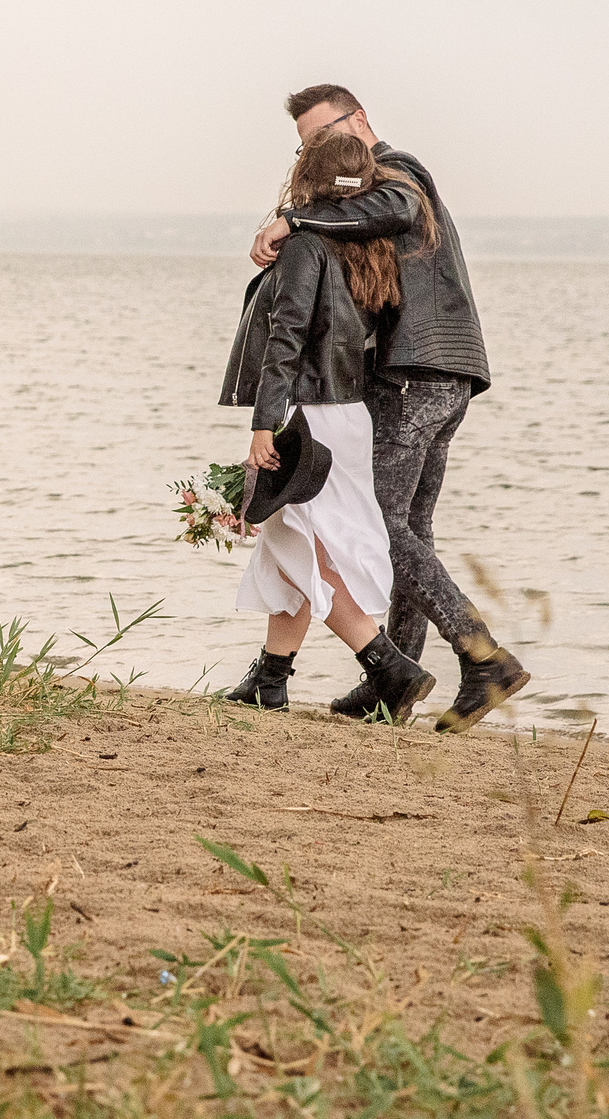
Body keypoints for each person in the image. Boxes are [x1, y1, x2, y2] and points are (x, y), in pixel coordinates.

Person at [249, 84, 531, 734]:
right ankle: (393, 686)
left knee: (380, 522)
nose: (321, 150)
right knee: (409, 529)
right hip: (445, 373)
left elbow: (394, 206)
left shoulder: (399, 172)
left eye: (326, 134)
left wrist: (295, 221)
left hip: (416, 372)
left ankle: (482, 656)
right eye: (308, 144)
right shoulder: (362, 194)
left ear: (362, 121)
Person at [215, 132, 437, 718]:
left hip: (308, 411)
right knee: (295, 545)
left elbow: (287, 340)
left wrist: (265, 425)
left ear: (305, 181)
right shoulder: (371, 249)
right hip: (347, 416)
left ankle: (389, 668)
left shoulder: (305, 246)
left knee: (304, 547)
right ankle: (271, 678)